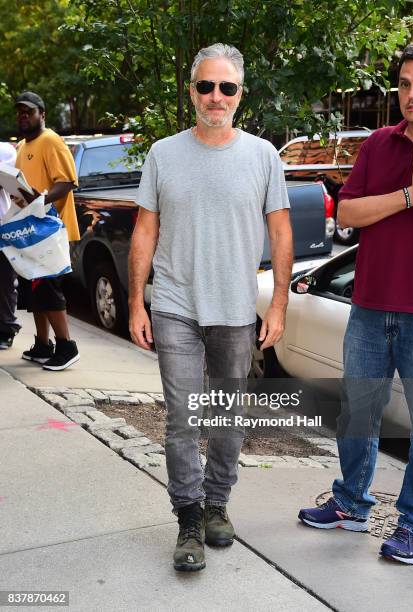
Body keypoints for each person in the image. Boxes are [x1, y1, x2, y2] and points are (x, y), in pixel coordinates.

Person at [129, 43, 293, 572]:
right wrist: (136, 301)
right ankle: (189, 519)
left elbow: (281, 231)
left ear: (240, 95)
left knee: (226, 414)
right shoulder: (162, 154)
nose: (215, 96)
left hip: (235, 308)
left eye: (226, 87)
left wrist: (280, 306)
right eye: (206, 86)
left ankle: (219, 502)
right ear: (193, 91)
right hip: (175, 304)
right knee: (181, 417)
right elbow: (145, 230)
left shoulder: (264, 156)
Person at [298, 44, 413, 565]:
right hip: (371, 306)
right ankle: (351, 503)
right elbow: (348, 213)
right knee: (358, 412)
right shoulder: (377, 143)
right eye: (405, 85)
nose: (412, 95)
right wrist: (400, 199)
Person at [14, 91, 80, 371]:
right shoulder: (20, 147)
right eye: (20, 112)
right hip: (30, 232)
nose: (23, 116)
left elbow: (66, 182)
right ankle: (43, 345)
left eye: (29, 111)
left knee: (49, 291)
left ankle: (66, 346)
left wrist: (39, 200)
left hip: (52, 231)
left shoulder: (50, 140)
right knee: (35, 290)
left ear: (43, 114)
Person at [0, 142, 21, 349]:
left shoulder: (5, 151)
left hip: (2, 227)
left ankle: (6, 329)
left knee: (5, 281)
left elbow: (7, 182)